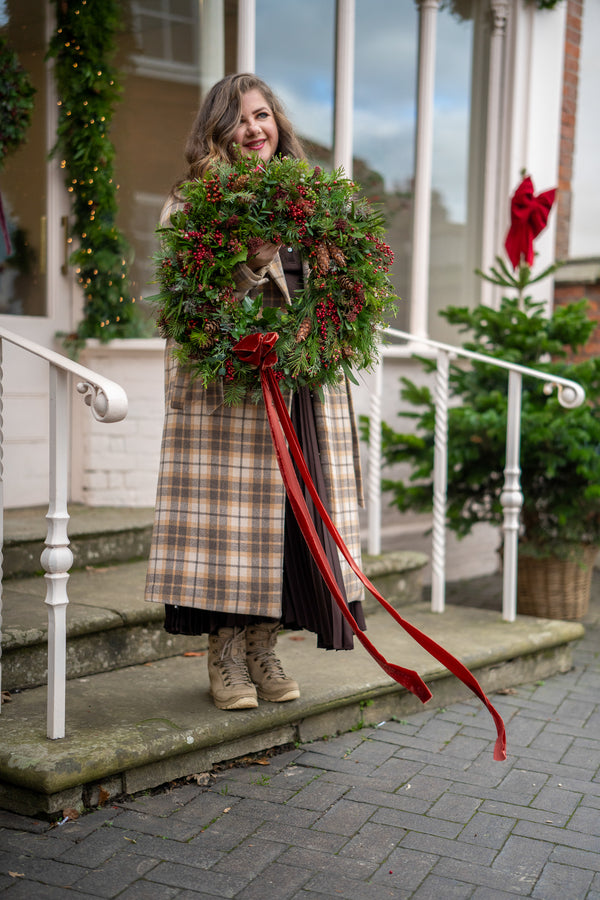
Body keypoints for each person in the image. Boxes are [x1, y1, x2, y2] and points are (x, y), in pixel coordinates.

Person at [145, 73, 366, 712]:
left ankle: (264, 650)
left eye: (263, 115)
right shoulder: (190, 206)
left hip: (300, 393)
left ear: (278, 124)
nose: (254, 129)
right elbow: (186, 310)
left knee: (291, 526)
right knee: (232, 531)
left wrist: (327, 297)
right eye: (239, 118)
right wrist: (250, 260)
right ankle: (226, 657)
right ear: (216, 130)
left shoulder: (313, 204)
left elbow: (336, 295)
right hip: (229, 398)